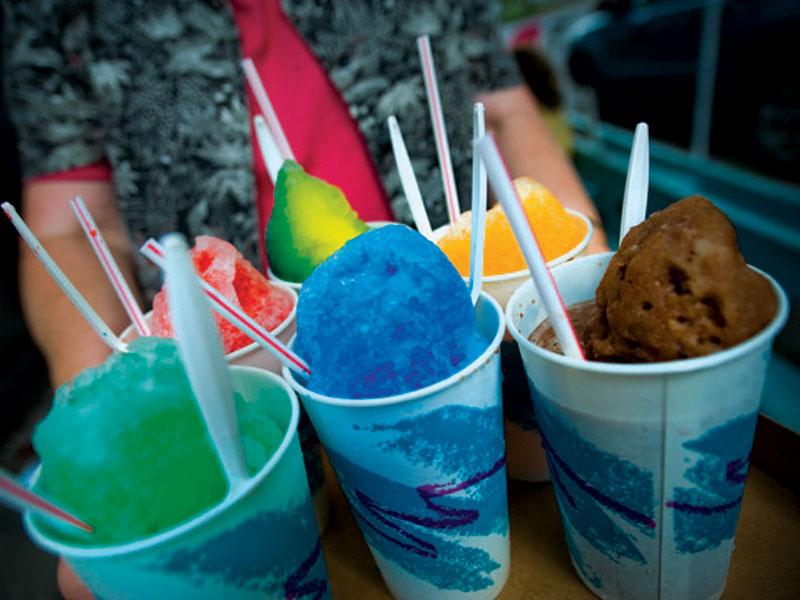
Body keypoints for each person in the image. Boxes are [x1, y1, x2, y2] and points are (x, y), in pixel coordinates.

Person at [3, 1, 607, 597]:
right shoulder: (62, 14)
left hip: (450, 302)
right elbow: (66, 227)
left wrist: (586, 287)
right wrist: (110, 432)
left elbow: (502, 109)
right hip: (263, 355)